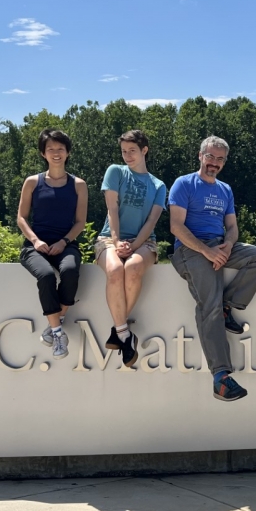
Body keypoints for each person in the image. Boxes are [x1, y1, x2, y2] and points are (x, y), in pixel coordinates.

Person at [169, 136, 256, 402]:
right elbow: (176, 227)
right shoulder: (184, 184)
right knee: (209, 306)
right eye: (210, 157)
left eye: (220, 159)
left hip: (218, 246)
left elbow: (233, 226)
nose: (214, 163)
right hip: (190, 250)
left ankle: (229, 305)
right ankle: (221, 378)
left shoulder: (224, 190)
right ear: (200, 155)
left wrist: (227, 245)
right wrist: (207, 251)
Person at [95, 129, 166, 367]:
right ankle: (125, 334)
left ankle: (118, 330)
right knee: (115, 270)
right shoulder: (115, 171)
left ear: (144, 150)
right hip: (109, 237)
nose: (127, 156)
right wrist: (116, 242)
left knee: (133, 266)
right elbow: (112, 210)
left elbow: (151, 222)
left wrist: (134, 245)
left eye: (132, 151)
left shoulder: (158, 185)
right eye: (124, 151)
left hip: (144, 241)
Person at [16, 129, 88, 360]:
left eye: (60, 149)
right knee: (46, 275)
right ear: (43, 153)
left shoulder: (79, 185)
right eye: (50, 149)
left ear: (67, 153)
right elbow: (21, 218)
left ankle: (54, 323)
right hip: (34, 246)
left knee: (69, 271)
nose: (56, 153)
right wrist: (35, 240)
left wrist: (64, 241)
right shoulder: (32, 182)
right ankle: (58, 332)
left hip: (65, 244)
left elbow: (80, 222)